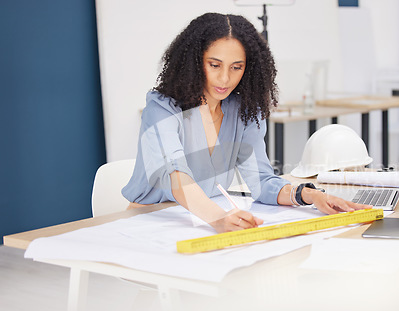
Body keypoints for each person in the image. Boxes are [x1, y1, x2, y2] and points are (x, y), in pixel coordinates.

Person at [122, 12, 370, 233]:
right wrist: (219, 218)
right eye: (214, 65)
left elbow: (261, 181)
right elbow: (178, 180)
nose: (225, 78)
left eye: (236, 67)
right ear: (194, 62)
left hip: (200, 223)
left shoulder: (242, 111)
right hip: (148, 224)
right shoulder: (161, 109)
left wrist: (310, 195)